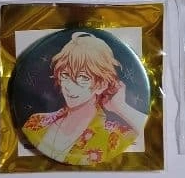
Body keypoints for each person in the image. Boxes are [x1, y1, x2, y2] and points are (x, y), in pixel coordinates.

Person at [21, 32, 147, 165]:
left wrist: (121, 107)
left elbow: (150, 133)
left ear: (101, 85)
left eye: (83, 78)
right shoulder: (37, 122)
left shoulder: (113, 136)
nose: (70, 86)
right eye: (65, 75)